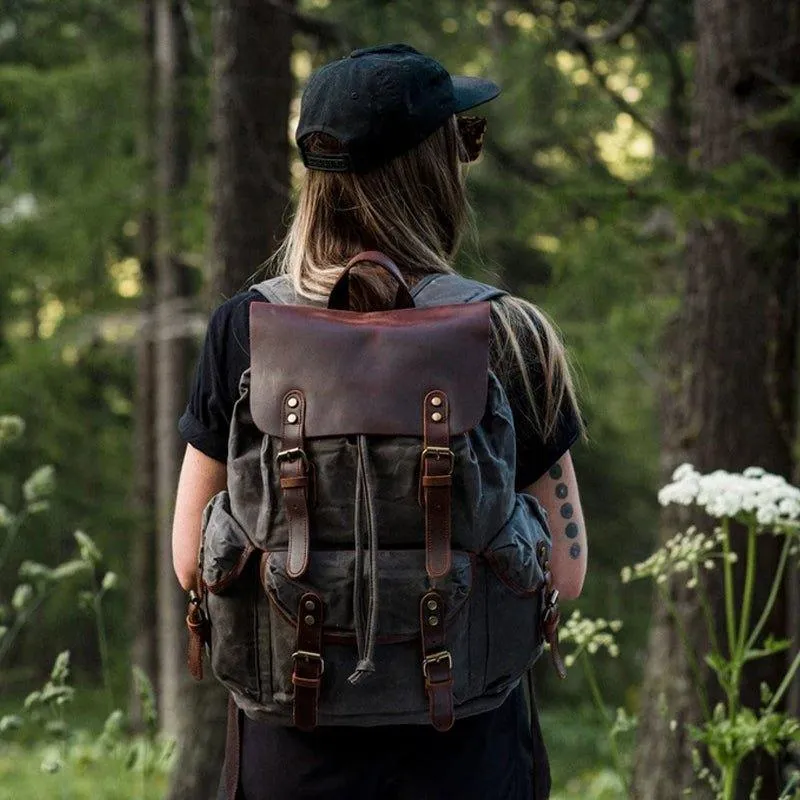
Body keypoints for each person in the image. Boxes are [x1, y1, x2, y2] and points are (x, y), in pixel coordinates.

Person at [172, 43, 587, 800]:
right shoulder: (512, 332)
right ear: (437, 171)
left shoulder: (245, 328)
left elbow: (193, 562)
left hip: (289, 756)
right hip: (469, 754)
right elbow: (564, 570)